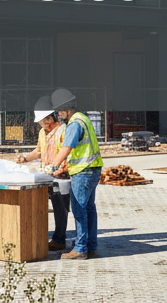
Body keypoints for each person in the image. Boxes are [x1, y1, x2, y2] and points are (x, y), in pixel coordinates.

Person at [48, 88, 102, 260]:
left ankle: (80, 249)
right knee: (89, 209)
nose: (58, 114)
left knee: (79, 210)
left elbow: (67, 147)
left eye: (59, 110)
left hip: (83, 172)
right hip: (93, 169)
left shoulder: (74, 124)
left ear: (66, 108)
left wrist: (53, 165)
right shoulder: (84, 118)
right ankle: (91, 246)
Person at [18, 96, 70, 251]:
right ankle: (40, 236)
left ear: (49, 118)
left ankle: (59, 239)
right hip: (46, 175)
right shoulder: (43, 132)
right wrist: (25, 158)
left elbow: (68, 151)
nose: (41, 125)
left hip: (61, 176)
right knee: (39, 205)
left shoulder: (64, 130)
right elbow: (39, 150)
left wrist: (61, 169)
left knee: (61, 208)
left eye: (41, 121)